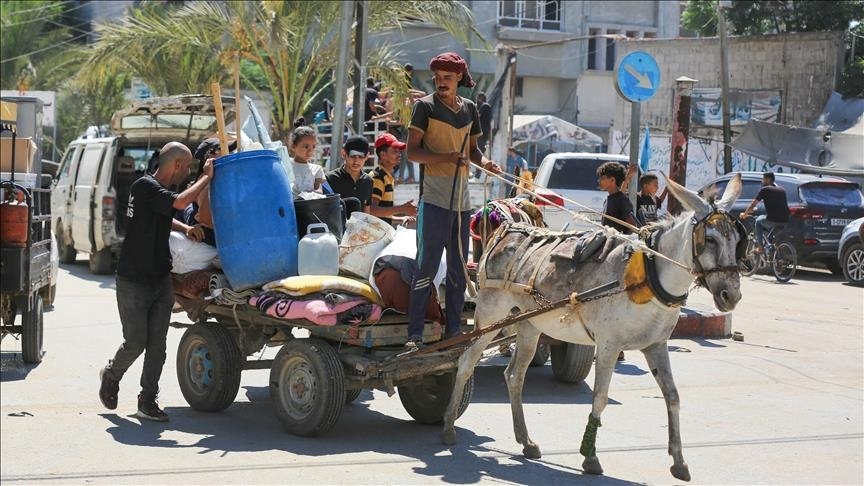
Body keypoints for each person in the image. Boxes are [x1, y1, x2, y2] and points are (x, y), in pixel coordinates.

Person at [99, 142, 214, 422]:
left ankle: (147, 400)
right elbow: (177, 204)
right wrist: (206, 177)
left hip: (160, 278)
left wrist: (185, 227)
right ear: (175, 165)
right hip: (133, 280)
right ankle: (112, 375)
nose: (187, 173)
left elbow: (164, 213)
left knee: (158, 346)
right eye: (186, 168)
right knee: (136, 342)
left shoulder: (154, 192)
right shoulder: (144, 186)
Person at [404, 51, 501, 350]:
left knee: (459, 270)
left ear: (459, 78)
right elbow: (412, 153)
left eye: (447, 77)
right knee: (427, 267)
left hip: (461, 203)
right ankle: (414, 334)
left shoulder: (470, 109)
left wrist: (484, 162)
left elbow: (473, 151)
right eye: (437, 77)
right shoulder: (424, 107)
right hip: (433, 200)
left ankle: (454, 330)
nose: (441, 82)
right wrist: (446, 157)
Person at [369, 132, 417, 226]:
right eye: (395, 151)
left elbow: (381, 214)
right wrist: (402, 208)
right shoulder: (378, 177)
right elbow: (371, 211)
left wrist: (401, 218)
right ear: (383, 154)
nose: (399, 154)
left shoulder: (386, 176)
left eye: (399, 151)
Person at [326, 135, 374, 216]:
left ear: (367, 156)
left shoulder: (368, 181)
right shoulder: (330, 179)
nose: (356, 161)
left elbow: (367, 212)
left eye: (361, 157)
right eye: (352, 156)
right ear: (344, 153)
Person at [740, 171, 789, 251]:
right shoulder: (782, 190)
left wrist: (745, 214)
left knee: (758, 221)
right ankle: (772, 255)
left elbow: (753, 204)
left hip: (773, 220)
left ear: (768, 179)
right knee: (770, 237)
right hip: (785, 221)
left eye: (763, 179)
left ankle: (760, 247)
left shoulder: (765, 190)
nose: (762, 181)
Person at [597, 161, 636, 234]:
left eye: (602, 178)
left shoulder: (622, 200)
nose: (599, 181)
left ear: (612, 180)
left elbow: (632, 226)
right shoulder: (610, 199)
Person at [289, 126, 325, 195]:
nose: (310, 151)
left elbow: (319, 190)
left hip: (307, 204)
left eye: (313, 147)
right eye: (306, 147)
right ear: (293, 146)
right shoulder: (285, 164)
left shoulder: (317, 169)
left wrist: (308, 195)